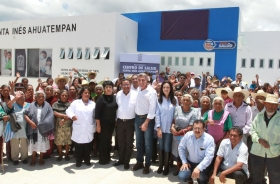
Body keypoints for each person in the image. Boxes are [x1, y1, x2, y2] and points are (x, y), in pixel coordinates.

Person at [250, 94, 280, 184]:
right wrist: (259, 140)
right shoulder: (258, 117)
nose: (271, 106)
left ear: (277, 106)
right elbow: (252, 131)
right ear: (265, 104)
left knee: (275, 178)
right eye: (269, 104)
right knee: (256, 177)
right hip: (257, 152)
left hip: (274, 154)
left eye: (274, 104)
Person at [132, 73, 157, 174]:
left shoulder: (151, 92)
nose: (141, 82)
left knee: (147, 144)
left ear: (147, 81)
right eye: (139, 80)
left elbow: (152, 109)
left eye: (143, 80)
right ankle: (139, 162)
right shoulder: (138, 89)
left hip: (147, 119)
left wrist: (146, 123)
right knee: (138, 143)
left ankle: (147, 164)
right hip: (137, 118)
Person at [66, 87, 96, 167]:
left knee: (88, 145)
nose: (87, 94)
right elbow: (68, 111)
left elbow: (95, 115)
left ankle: (87, 160)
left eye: (88, 93)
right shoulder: (76, 103)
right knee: (78, 146)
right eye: (85, 93)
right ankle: (78, 161)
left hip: (89, 127)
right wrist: (72, 116)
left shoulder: (93, 104)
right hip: (78, 127)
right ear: (81, 94)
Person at [24, 91, 54, 166]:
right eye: (39, 97)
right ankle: (33, 159)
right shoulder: (31, 105)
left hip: (43, 129)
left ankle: (41, 158)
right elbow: (25, 114)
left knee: (42, 144)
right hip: (33, 128)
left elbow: (51, 115)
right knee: (34, 143)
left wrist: (44, 123)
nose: (41, 98)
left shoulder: (47, 105)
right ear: (36, 98)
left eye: (42, 97)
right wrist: (31, 122)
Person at [113, 79, 137, 170]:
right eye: (124, 85)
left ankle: (127, 161)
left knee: (129, 143)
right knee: (121, 142)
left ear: (130, 85)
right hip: (120, 121)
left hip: (131, 121)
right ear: (121, 85)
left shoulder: (135, 94)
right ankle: (121, 160)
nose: (126, 86)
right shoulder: (118, 94)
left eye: (127, 84)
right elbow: (116, 108)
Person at [155, 81, 178, 175]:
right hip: (161, 127)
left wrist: (173, 125)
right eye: (164, 87)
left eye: (168, 87)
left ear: (170, 88)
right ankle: (160, 165)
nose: (166, 89)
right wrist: (158, 128)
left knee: (167, 146)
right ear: (162, 89)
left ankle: (166, 166)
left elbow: (176, 114)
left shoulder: (175, 99)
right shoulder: (159, 99)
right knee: (160, 146)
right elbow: (157, 114)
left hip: (169, 128)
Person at [171, 94, 198, 176]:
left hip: (186, 135)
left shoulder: (193, 113)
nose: (185, 102)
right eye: (184, 100)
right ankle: (177, 168)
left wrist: (181, 131)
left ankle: (184, 168)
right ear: (181, 101)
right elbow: (174, 121)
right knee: (177, 151)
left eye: (188, 100)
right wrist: (172, 128)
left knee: (184, 152)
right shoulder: (177, 109)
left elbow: (190, 126)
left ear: (191, 102)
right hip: (175, 133)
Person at [95, 81, 118, 165]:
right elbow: (97, 113)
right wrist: (98, 125)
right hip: (102, 124)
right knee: (103, 142)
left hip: (111, 124)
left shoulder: (115, 98)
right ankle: (102, 160)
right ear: (104, 89)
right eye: (107, 87)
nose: (108, 89)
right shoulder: (101, 98)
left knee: (108, 141)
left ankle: (108, 158)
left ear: (112, 89)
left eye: (110, 87)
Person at [8, 91, 29, 165]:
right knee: (14, 143)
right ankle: (15, 158)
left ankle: (24, 158)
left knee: (24, 144)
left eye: (22, 94)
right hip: (14, 129)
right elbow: (8, 105)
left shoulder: (29, 105)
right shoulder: (13, 104)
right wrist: (14, 98)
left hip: (25, 129)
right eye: (19, 95)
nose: (21, 96)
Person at [53, 90, 72, 161]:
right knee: (59, 141)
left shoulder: (70, 104)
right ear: (60, 96)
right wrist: (64, 116)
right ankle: (60, 155)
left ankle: (66, 155)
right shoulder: (56, 104)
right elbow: (54, 112)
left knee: (67, 141)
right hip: (59, 124)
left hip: (68, 124)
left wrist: (64, 119)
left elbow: (72, 114)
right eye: (62, 95)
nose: (64, 97)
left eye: (66, 95)